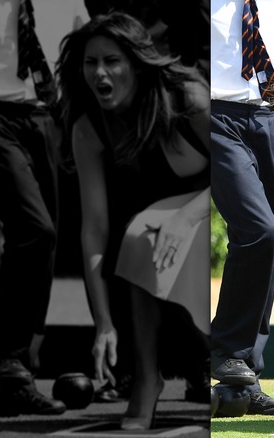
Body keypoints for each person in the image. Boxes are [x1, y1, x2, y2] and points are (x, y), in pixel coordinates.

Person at [56, 11, 210, 430]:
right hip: (155, 224)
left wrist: (188, 216)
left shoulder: (188, 98)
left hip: (217, 208)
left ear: (137, 63)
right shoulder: (89, 128)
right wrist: (103, 324)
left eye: (112, 61)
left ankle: (222, 367)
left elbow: (237, 174)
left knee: (155, 231)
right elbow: (94, 230)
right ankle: (146, 379)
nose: (100, 73)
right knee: (138, 235)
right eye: (91, 63)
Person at [208, 0, 274, 416]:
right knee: (259, 229)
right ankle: (227, 349)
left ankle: (246, 372)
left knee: (268, 243)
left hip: (266, 119)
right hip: (214, 115)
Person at [0, 0, 87, 417]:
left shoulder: (66, 2)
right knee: (35, 228)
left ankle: (15, 371)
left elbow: (88, 51)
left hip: (46, 119)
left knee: (47, 237)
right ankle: (6, 357)